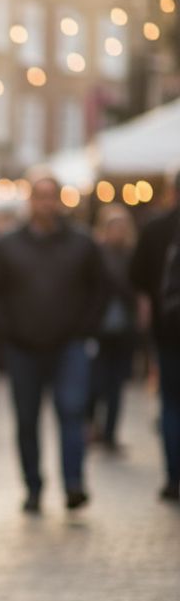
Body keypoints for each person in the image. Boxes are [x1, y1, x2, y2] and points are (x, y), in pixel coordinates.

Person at [0, 174, 106, 513]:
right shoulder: (7, 245)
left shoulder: (82, 243)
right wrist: (7, 330)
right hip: (22, 347)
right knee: (27, 421)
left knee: (72, 412)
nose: (45, 204)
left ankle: (73, 484)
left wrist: (85, 328)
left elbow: (100, 288)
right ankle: (34, 488)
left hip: (69, 345)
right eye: (39, 197)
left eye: (50, 197)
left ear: (59, 201)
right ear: (30, 201)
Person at [130, 174, 180, 502]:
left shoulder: (154, 228)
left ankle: (174, 477)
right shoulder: (155, 228)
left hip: (169, 330)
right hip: (168, 332)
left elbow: (139, 281)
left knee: (172, 403)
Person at [88, 205, 138, 452]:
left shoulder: (131, 254)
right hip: (100, 328)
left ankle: (110, 432)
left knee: (116, 384)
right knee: (96, 382)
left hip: (124, 328)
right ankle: (92, 427)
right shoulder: (96, 253)